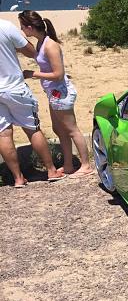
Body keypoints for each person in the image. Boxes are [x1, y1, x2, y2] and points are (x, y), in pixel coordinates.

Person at [18, 11, 93, 178]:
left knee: (72, 129)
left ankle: (86, 165)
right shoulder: (40, 43)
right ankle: (68, 165)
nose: (22, 30)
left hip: (61, 93)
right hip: (53, 93)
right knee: (59, 129)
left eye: (22, 27)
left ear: (30, 27)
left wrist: (33, 74)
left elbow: (58, 74)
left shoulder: (50, 45)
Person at [0, 17, 65, 187]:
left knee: (4, 134)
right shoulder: (5, 26)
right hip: (14, 87)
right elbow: (30, 51)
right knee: (32, 129)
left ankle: (18, 178)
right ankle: (51, 170)